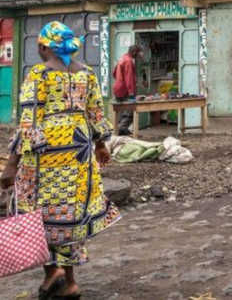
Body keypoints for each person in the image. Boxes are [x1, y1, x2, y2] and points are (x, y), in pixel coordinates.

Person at [0, 21, 120, 299]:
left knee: (38, 214)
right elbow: (96, 113)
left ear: (44, 47)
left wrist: (11, 164)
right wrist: (100, 144)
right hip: (79, 151)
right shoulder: (87, 73)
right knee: (70, 216)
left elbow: (29, 121)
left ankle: (53, 273)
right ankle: (67, 280)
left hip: (46, 154)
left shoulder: (39, 74)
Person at [112, 44, 143, 135]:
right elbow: (129, 79)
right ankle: (121, 129)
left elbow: (114, 73)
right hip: (124, 90)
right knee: (130, 111)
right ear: (134, 52)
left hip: (118, 88)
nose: (139, 55)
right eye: (138, 53)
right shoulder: (129, 61)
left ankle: (120, 129)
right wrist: (131, 93)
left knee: (122, 110)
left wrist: (119, 81)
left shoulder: (122, 58)